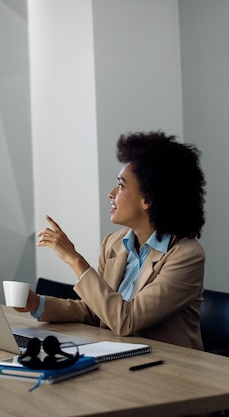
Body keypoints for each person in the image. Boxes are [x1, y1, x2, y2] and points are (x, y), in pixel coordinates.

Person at [16, 130, 207, 349]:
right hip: (119, 358)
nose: (111, 193)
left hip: (168, 370)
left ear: (148, 199)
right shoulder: (114, 244)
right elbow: (97, 310)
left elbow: (126, 320)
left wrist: (75, 259)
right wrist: (37, 303)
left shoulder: (186, 255)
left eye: (121, 185)